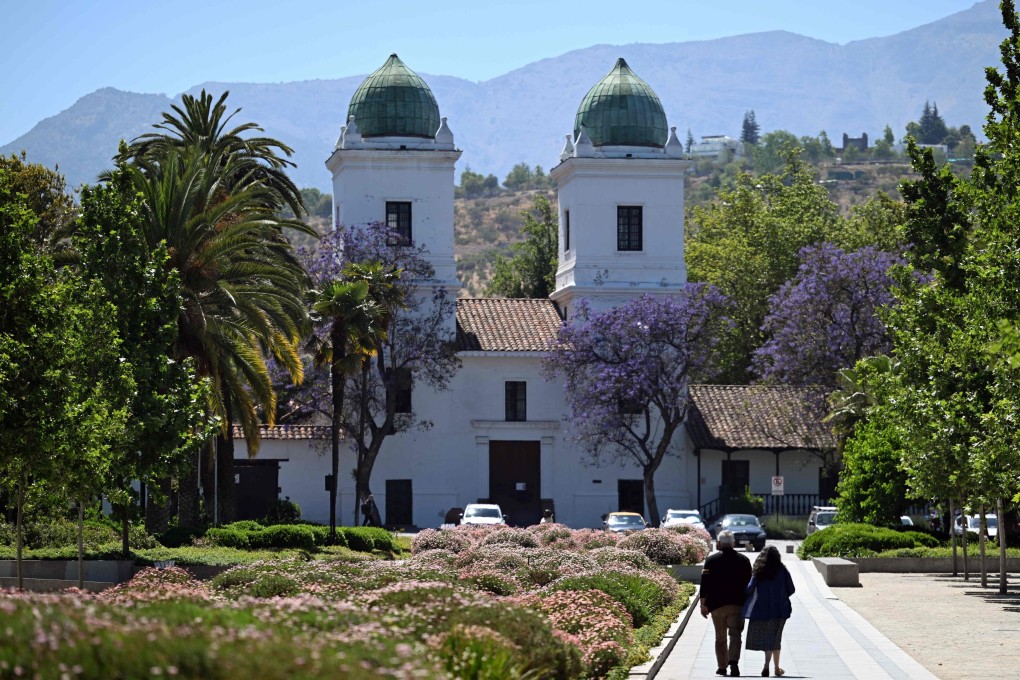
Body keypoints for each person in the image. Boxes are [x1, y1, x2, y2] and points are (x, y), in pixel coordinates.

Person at [700, 530, 753, 677]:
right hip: (737, 604)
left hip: (717, 606)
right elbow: (750, 584)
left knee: (720, 637)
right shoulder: (744, 560)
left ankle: (722, 667)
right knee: (735, 635)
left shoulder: (711, 560)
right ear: (733, 544)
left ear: (718, 544)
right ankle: (733, 662)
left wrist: (703, 604)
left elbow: (705, 584)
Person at [742, 545, 795, 677]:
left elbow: (749, 589)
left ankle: (770, 666)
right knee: (776, 638)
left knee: (768, 638)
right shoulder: (783, 570)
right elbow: (792, 589)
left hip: (762, 609)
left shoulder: (759, 571)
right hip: (781, 609)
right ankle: (774, 667)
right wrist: (782, 594)